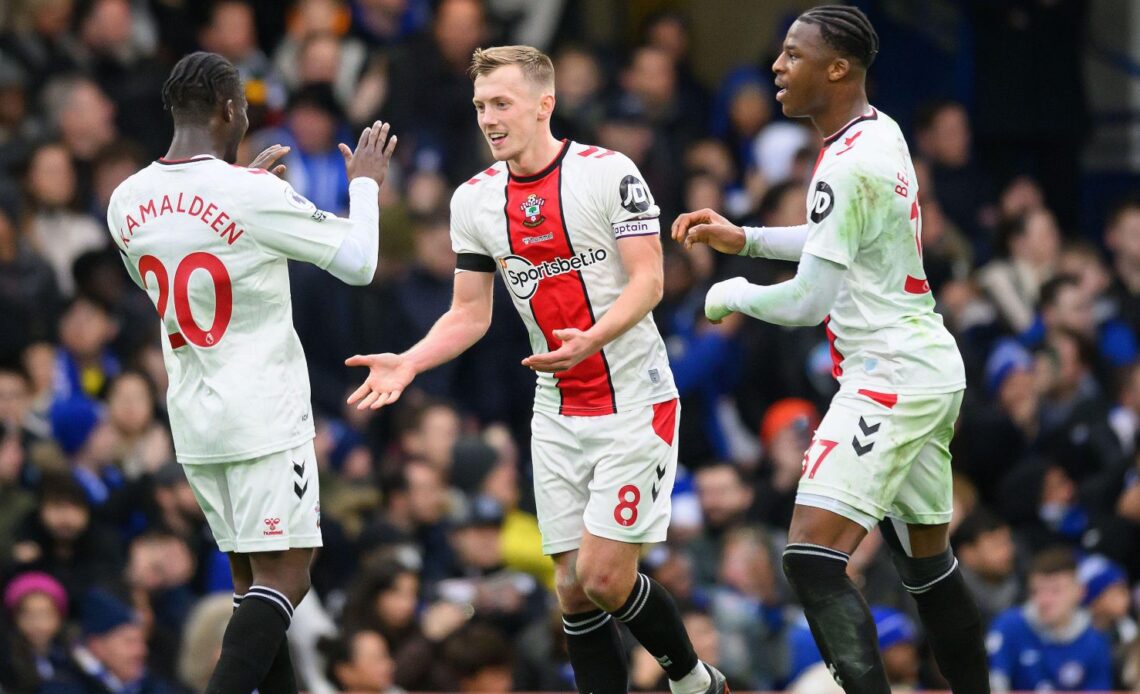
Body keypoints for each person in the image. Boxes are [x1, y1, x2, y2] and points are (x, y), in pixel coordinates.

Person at [347, 45, 726, 694]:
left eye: (502, 104)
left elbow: (651, 282)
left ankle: (694, 680)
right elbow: (470, 313)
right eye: (479, 107)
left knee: (607, 577)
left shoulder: (609, 173)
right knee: (574, 591)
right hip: (556, 408)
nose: (488, 119)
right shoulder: (473, 200)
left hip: (634, 398)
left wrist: (592, 338)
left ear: (543, 105)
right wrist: (409, 361)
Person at [672, 6, 988, 693]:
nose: (777, 68)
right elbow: (837, 239)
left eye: (793, 55)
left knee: (812, 560)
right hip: (926, 365)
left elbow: (809, 302)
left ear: (837, 68)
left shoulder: (847, 164)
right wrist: (748, 239)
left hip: (891, 377)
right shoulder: (879, 133)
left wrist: (732, 293)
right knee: (928, 570)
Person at [105, 51, 396, 693]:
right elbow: (360, 262)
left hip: (195, 416)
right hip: (263, 412)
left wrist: (253, 204)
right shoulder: (252, 193)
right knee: (289, 574)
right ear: (229, 110)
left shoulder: (125, 200)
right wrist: (367, 183)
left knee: (253, 587)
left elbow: (180, 263)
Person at [986, 547, 1113, 692]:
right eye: (1037, 591)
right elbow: (993, 682)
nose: (1045, 600)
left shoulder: (1094, 640)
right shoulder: (1009, 626)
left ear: (1079, 591)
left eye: (1055, 590)